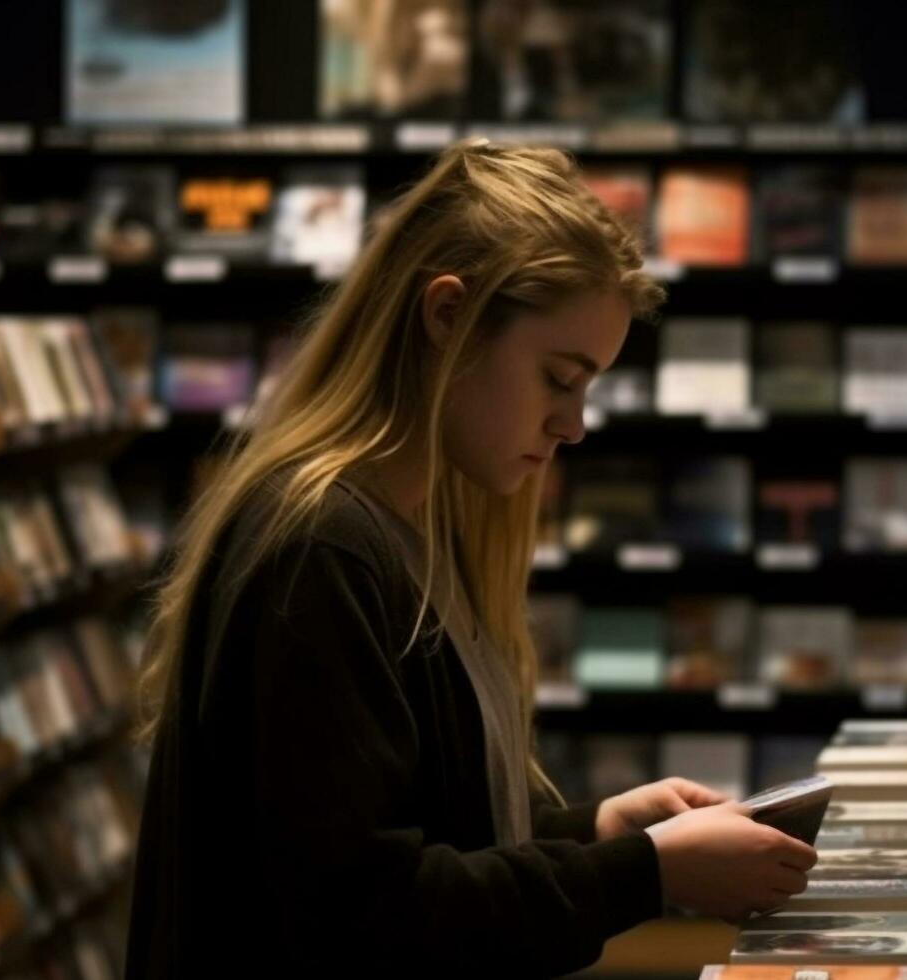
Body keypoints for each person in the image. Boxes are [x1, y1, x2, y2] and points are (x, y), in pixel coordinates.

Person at [125, 140, 817, 978]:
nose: (573, 425)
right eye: (558, 378)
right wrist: (646, 872)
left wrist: (599, 833)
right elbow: (367, 916)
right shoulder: (322, 547)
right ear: (447, 314)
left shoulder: (408, 527)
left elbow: (426, 836)